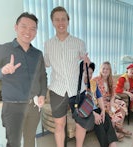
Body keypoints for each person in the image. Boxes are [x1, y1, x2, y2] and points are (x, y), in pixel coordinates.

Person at [0, 12, 47, 147]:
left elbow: (43, 76)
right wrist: (1, 71)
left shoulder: (38, 54)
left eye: (33, 28)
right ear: (16, 27)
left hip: (34, 107)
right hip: (13, 108)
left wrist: (43, 94)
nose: (28, 31)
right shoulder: (2, 50)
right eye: (24, 26)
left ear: (36, 31)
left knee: (30, 141)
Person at [44, 6, 90, 147]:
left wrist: (89, 65)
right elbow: (45, 64)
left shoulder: (79, 42)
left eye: (63, 19)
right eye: (57, 19)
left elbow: (86, 64)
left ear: (68, 21)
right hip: (57, 90)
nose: (60, 22)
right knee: (59, 125)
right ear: (52, 22)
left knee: (81, 124)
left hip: (77, 89)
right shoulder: (48, 44)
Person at [92, 61, 132, 139]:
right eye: (103, 69)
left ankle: (119, 127)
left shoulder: (111, 80)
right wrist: (108, 103)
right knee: (113, 109)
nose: (105, 70)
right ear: (100, 69)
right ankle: (113, 131)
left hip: (109, 100)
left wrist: (112, 101)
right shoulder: (95, 80)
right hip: (100, 102)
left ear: (110, 71)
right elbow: (93, 94)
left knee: (122, 104)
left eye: (107, 69)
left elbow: (113, 93)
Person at [85, 62, 118, 146]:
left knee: (106, 118)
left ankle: (113, 144)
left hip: (95, 108)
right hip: (85, 110)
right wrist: (94, 114)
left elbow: (99, 97)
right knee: (99, 123)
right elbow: (81, 104)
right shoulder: (79, 85)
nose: (89, 75)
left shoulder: (93, 83)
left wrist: (103, 110)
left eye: (91, 73)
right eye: (87, 73)